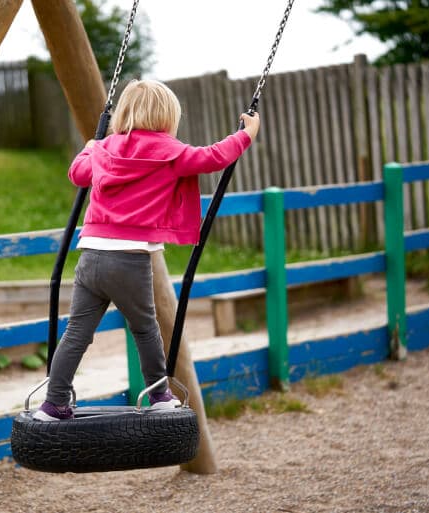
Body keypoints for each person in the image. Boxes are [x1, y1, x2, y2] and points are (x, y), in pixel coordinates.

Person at [34, 79, 261, 421]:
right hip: (129, 260)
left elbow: (77, 174)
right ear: (168, 117)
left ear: (123, 113)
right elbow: (213, 157)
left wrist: (91, 146)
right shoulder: (170, 152)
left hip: (91, 256)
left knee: (77, 332)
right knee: (145, 328)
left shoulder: (104, 148)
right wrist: (245, 135)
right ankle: (159, 396)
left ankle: (53, 403)